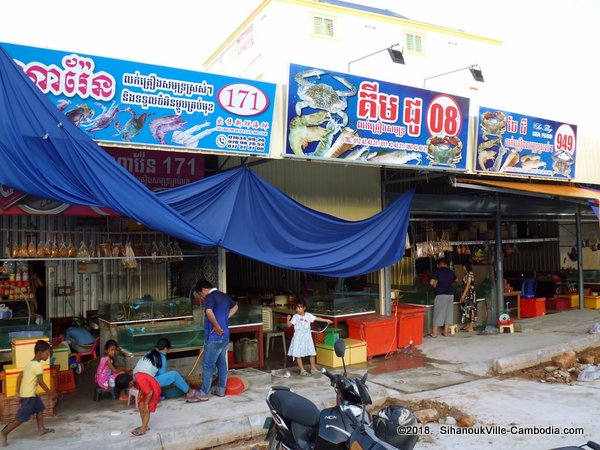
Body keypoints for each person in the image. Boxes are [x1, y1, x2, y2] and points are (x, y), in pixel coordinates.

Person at [1, 340, 57, 446]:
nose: (48, 355)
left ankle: (41, 429)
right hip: (28, 396)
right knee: (21, 418)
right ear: (40, 353)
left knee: (39, 408)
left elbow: (19, 376)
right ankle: (4, 433)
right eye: (47, 353)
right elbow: (40, 381)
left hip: (29, 394)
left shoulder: (29, 364)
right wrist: (51, 393)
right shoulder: (38, 366)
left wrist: (17, 391)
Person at [195, 280, 238, 401]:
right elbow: (235, 306)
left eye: (200, 294)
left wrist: (217, 325)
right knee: (221, 363)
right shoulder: (223, 295)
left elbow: (209, 311)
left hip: (214, 337)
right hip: (225, 336)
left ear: (203, 289)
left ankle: (204, 393)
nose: (202, 297)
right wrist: (224, 318)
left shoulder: (210, 296)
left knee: (208, 365)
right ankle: (220, 390)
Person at [133, 337, 200, 403]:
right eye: (168, 349)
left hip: (136, 382)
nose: (168, 351)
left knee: (156, 375)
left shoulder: (149, 354)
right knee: (174, 375)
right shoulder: (161, 357)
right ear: (165, 348)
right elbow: (162, 375)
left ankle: (155, 394)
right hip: (145, 382)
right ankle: (190, 392)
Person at [286, 298, 332, 376]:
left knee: (312, 353)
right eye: (297, 307)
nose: (298, 309)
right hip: (298, 338)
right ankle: (302, 370)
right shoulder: (295, 317)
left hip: (307, 337)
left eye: (300, 307)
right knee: (298, 354)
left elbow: (317, 318)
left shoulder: (308, 315)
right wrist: (288, 319)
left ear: (304, 308)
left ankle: (313, 368)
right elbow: (289, 325)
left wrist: (326, 320)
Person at [115, 371, 160, 437]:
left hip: (153, 390)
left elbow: (150, 392)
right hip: (147, 390)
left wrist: (146, 403)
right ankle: (145, 425)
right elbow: (142, 388)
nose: (129, 388)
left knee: (146, 409)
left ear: (130, 383)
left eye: (128, 387)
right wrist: (139, 397)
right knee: (140, 406)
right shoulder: (134, 377)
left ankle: (144, 429)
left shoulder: (140, 380)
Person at [428, 258, 457, 338]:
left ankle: (434, 333)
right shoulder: (451, 272)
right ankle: (446, 332)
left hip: (440, 294)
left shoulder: (437, 271)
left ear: (438, 265)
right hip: (450, 295)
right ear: (446, 264)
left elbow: (431, 282)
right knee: (448, 313)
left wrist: (435, 286)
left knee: (438, 313)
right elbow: (456, 280)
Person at [460, 265, 477, 332]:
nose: (462, 267)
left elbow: (468, 284)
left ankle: (471, 327)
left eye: (463, 266)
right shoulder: (467, 274)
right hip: (468, 293)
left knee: (471, 309)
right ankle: (468, 325)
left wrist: (464, 294)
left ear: (465, 266)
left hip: (470, 294)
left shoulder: (470, 273)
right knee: (467, 309)